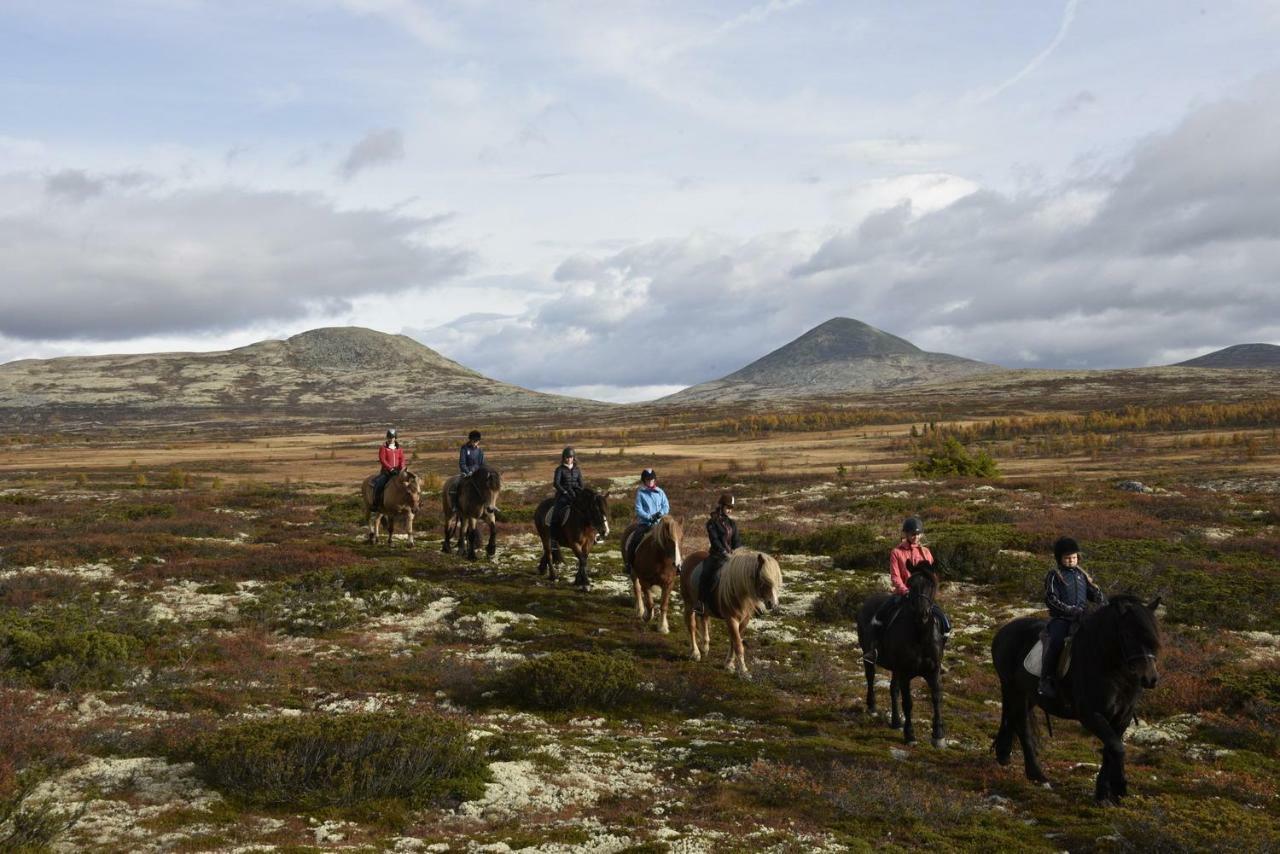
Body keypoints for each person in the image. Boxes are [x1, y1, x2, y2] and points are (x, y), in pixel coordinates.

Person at [865, 516, 952, 664]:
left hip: (923, 597)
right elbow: (895, 577)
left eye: (918, 534)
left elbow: (931, 578)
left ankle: (938, 653)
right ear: (905, 534)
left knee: (945, 623)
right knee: (877, 619)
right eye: (912, 534)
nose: (916, 537)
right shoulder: (896, 552)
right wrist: (905, 591)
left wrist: (930, 592)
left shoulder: (926, 552)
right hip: (903, 595)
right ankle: (874, 651)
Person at [1039, 536, 1105, 699]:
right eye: (1068, 558)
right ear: (1059, 558)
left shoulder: (1081, 575)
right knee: (1055, 642)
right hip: (1061, 619)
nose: (1071, 560)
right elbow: (1051, 599)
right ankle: (1046, 680)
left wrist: (1101, 599)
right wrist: (1070, 610)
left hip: (1082, 618)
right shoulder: (1054, 575)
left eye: (1074, 557)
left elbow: (1093, 595)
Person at [698, 492, 741, 614]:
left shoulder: (732, 523)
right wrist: (723, 551)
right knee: (706, 573)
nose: (729, 510)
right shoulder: (712, 522)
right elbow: (714, 539)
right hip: (717, 555)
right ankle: (700, 602)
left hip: (732, 556)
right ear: (721, 506)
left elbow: (737, 540)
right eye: (728, 507)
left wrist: (738, 552)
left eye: (731, 508)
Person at [627, 469, 670, 569]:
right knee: (635, 540)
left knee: (672, 539)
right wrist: (649, 517)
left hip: (660, 523)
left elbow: (666, 506)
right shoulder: (640, 493)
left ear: (654, 480)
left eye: (652, 480)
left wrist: (660, 514)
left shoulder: (660, 492)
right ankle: (629, 564)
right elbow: (638, 509)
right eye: (648, 480)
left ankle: (676, 564)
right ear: (644, 480)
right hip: (645, 524)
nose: (650, 482)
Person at [548, 447, 583, 558]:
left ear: (573, 458)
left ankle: (595, 535)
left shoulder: (577, 469)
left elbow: (581, 483)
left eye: (571, 457)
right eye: (567, 457)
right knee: (555, 515)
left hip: (575, 495)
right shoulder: (560, 469)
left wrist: (579, 491)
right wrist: (564, 491)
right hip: (563, 495)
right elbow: (556, 484)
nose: (569, 459)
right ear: (564, 458)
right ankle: (553, 540)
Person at [450, 430, 485, 510]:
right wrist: (467, 471)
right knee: (455, 485)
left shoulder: (480, 451)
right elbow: (462, 463)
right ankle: (455, 505)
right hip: (466, 473)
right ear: (470, 440)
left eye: (477, 441)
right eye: (474, 441)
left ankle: (489, 505)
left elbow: (481, 464)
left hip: (477, 473)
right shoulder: (464, 449)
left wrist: (476, 470)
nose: (476, 443)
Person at [371, 428, 404, 511]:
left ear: (395, 438)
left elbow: (401, 459)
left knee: (409, 485)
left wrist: (402, 468)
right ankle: (376, 503)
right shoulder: (383, 448)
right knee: (379, 484)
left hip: (398, 472)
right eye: (389, 437)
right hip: (387, 472)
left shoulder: (399, 449)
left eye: (392, 437)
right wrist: (391, 469)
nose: (391, 439)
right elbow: (382, 459)